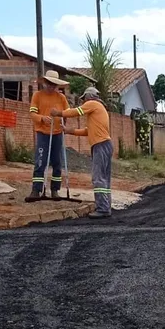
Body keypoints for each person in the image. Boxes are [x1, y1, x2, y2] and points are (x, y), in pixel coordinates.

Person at [52, 87, 112, 219]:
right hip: (104, 144)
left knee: (98, 178)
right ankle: (105, 206)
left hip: (101, 145)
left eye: (84, 99)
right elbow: (87, 131)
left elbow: (75, 112)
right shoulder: (98, 110)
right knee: (104, 178)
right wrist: (68, 130)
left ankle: (102, 208)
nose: (83, 102)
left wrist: (59, 113)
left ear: (88, 97)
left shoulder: (93, 104)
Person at [26, 70, 70, 201]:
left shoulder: (61, 97)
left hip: (57, 133)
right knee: (40, 161)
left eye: (54, 84)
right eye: (49, 83)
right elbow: (32, 114)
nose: (51, 86)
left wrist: (63, 120)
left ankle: (55, 190)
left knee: (57, 162)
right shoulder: (37, 96)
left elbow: (67, 113)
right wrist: (42, 118)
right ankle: (36, 190)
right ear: (45, 83)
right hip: (43, 133)